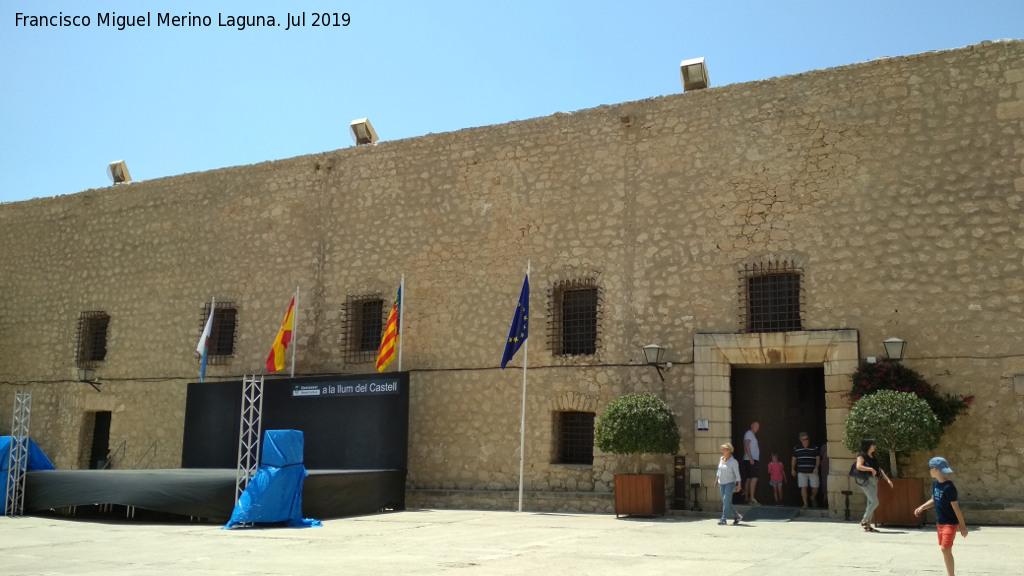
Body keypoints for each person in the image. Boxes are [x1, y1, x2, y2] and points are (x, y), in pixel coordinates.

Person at [914, 457, 968, 576]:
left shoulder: (949, 487)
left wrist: (962, 526)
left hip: (950, 523)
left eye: (930, 468)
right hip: (940, 523)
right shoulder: (936, 484)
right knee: (945, 550)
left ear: (935, 469)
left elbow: (956, 508)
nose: (929, 471)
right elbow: (934, 500)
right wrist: (922, 507)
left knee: (945, 549)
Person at [854, 438, 893, 532]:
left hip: (874, 481)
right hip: (865, 481)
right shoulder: (861, 455)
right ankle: (864, 519)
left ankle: (867, 525)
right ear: (868, 446)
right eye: (873, 445)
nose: (874, 446)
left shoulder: (873, 456)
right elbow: (858, 466)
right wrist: (870, 469)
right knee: (875, 502)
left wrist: (887, 480)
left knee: (870, 502)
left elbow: (879, 469)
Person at [714, 443, 743, 525]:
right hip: (721, 483)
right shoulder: (721, 459)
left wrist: (739, 484)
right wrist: (716, 480)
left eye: (724, 450)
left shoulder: (733, 462)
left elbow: (737, 474)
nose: (722, 451)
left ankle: (723, 519)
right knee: (726, 502)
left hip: (729, 483)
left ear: (729, 451)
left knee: (726, 501)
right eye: (722, 449)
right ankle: (737, 516)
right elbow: (719, 470)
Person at [791, 432, 821, 508]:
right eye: (803, 439)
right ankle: (805, 504)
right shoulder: (797, 448)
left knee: (816, 487)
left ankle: (812, 497)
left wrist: (816, 467)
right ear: (800, 440)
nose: (806, 441)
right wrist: (792, 469)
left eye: (807, 439)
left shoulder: (814, 447)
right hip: (801, 471)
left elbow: (818, 458)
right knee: (803, 487)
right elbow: (794, 459)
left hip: (812, 471)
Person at [742, 421, 761, 505]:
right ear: (752, 426)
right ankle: (752, 498)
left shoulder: (751, 435)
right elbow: (746, 445)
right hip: (751, 459)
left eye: (758, 426)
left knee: (749, 478)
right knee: (754, 478)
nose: (757, 428)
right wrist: (750, 458)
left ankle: (747, 498)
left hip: (750, 459)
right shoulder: (749, 433)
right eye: (756, 426)